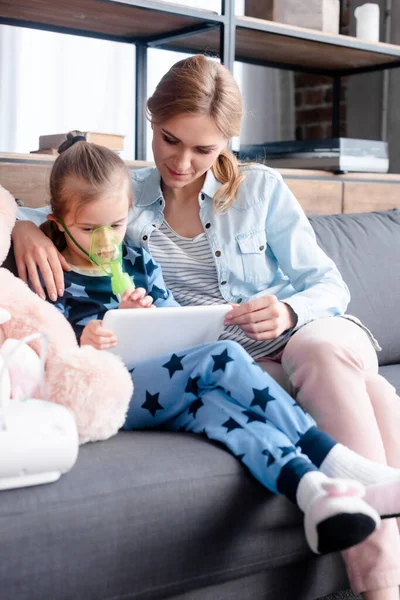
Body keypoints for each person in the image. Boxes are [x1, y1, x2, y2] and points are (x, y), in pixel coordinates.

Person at [10, 56, 400, 598]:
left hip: (310, 332)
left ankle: (363, 532)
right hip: (237, 361)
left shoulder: (260, 190)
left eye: (205, 149)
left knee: (320, 353)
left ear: (228, 143)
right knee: (376, 392)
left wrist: (288, 312)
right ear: (151, 120)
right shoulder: (123, 199)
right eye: (171, 141)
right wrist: (18, 229)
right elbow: (50, 213)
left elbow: (329, 288)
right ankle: (374, 564)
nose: (183, 162)